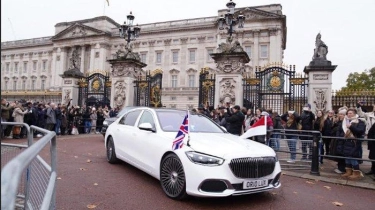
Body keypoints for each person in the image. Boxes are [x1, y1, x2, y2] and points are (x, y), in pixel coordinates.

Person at [340, 108, 366, 180]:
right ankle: (348, 171)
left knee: (353, 157)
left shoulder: (360, 121)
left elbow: (360, 131)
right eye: (348, 113)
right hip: (347, 141)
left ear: (355, 114)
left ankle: (356, 173)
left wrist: (351, 126)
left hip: (354, 142)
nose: (349, 114)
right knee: (347, 157)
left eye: (350, 113)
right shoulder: (346, 121)